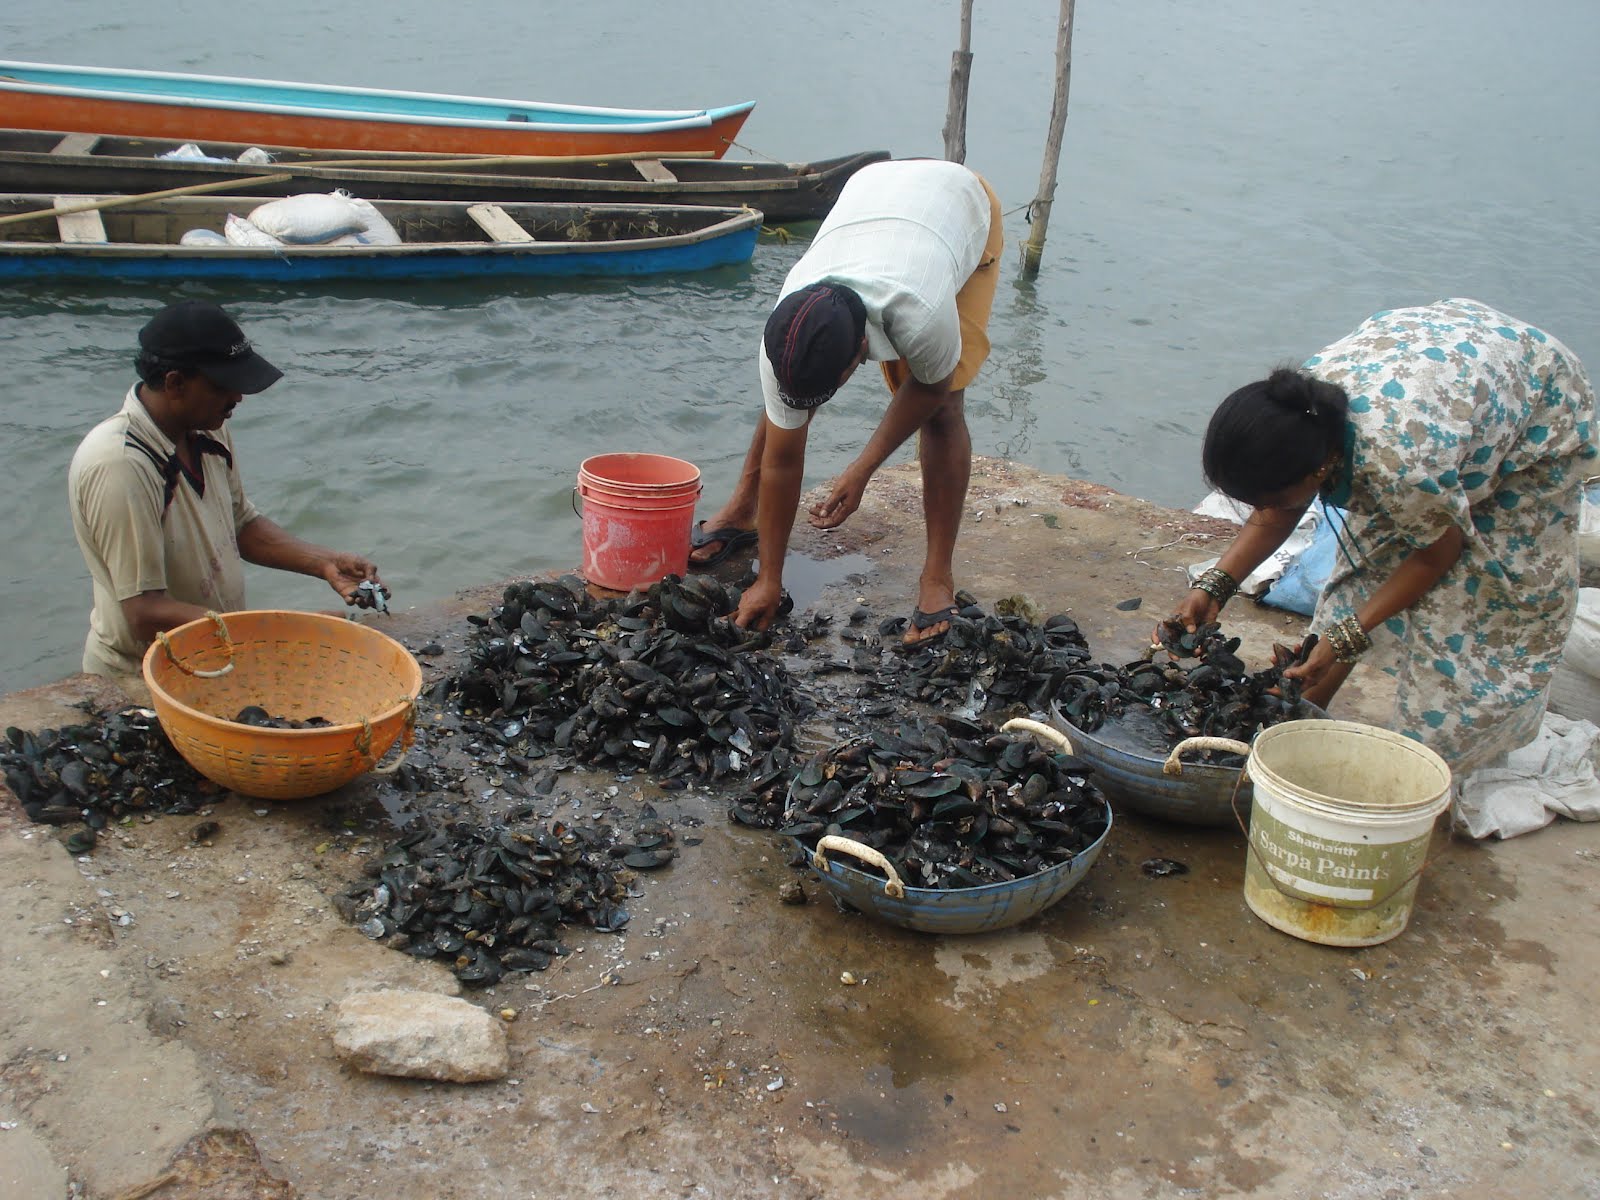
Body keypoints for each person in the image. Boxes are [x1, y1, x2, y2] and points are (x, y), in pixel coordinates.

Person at [1170, 298, 1596, 774]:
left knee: (1482, 615)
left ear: (1322, 468)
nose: (1265, 509)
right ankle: (1296, 717)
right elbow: (1281, 509)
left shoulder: (1403, 466)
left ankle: (1433, 768)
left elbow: (1438, 555)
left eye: (1272, 497)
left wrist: (1351, 632)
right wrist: (1216, 583)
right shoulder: (1298, 414)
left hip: (1534, 403)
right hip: (1442, 377)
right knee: (1361, 570)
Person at [688, 158, 1004, 643]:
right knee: (788, 401)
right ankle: (743, 511)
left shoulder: (917, 313)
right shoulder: (787, 322)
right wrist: (768, 578)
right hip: (876, 192)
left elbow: (932, 387)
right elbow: (784, 453)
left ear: (860, 351)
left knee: (944, 410)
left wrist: (862, 469)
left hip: (961, 207)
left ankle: (937, 577)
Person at [68, 300, 386, 692]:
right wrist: (281, 632)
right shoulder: (121, 465)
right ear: (175, 384)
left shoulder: (207, 427)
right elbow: (144, 611)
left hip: (214, 654)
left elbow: (240, 524)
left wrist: (324, 562)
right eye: (223, 385)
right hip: (143, 677)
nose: (238, 398)